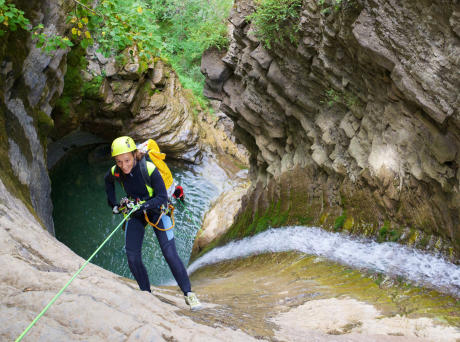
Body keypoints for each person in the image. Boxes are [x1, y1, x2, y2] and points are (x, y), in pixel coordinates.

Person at [104, 136, 201, 310]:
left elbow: (162, 198)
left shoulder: (149, 169)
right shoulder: (116, 171)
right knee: (132, 256)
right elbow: (108, 180)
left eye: (127, 160)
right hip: (137, 211)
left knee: (169, 253)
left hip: (157, 210)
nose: (124, 165)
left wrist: (143, 206)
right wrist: (114, 205)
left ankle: (189, 294)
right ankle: (146, 294)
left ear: (135, 155)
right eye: (119, 161)